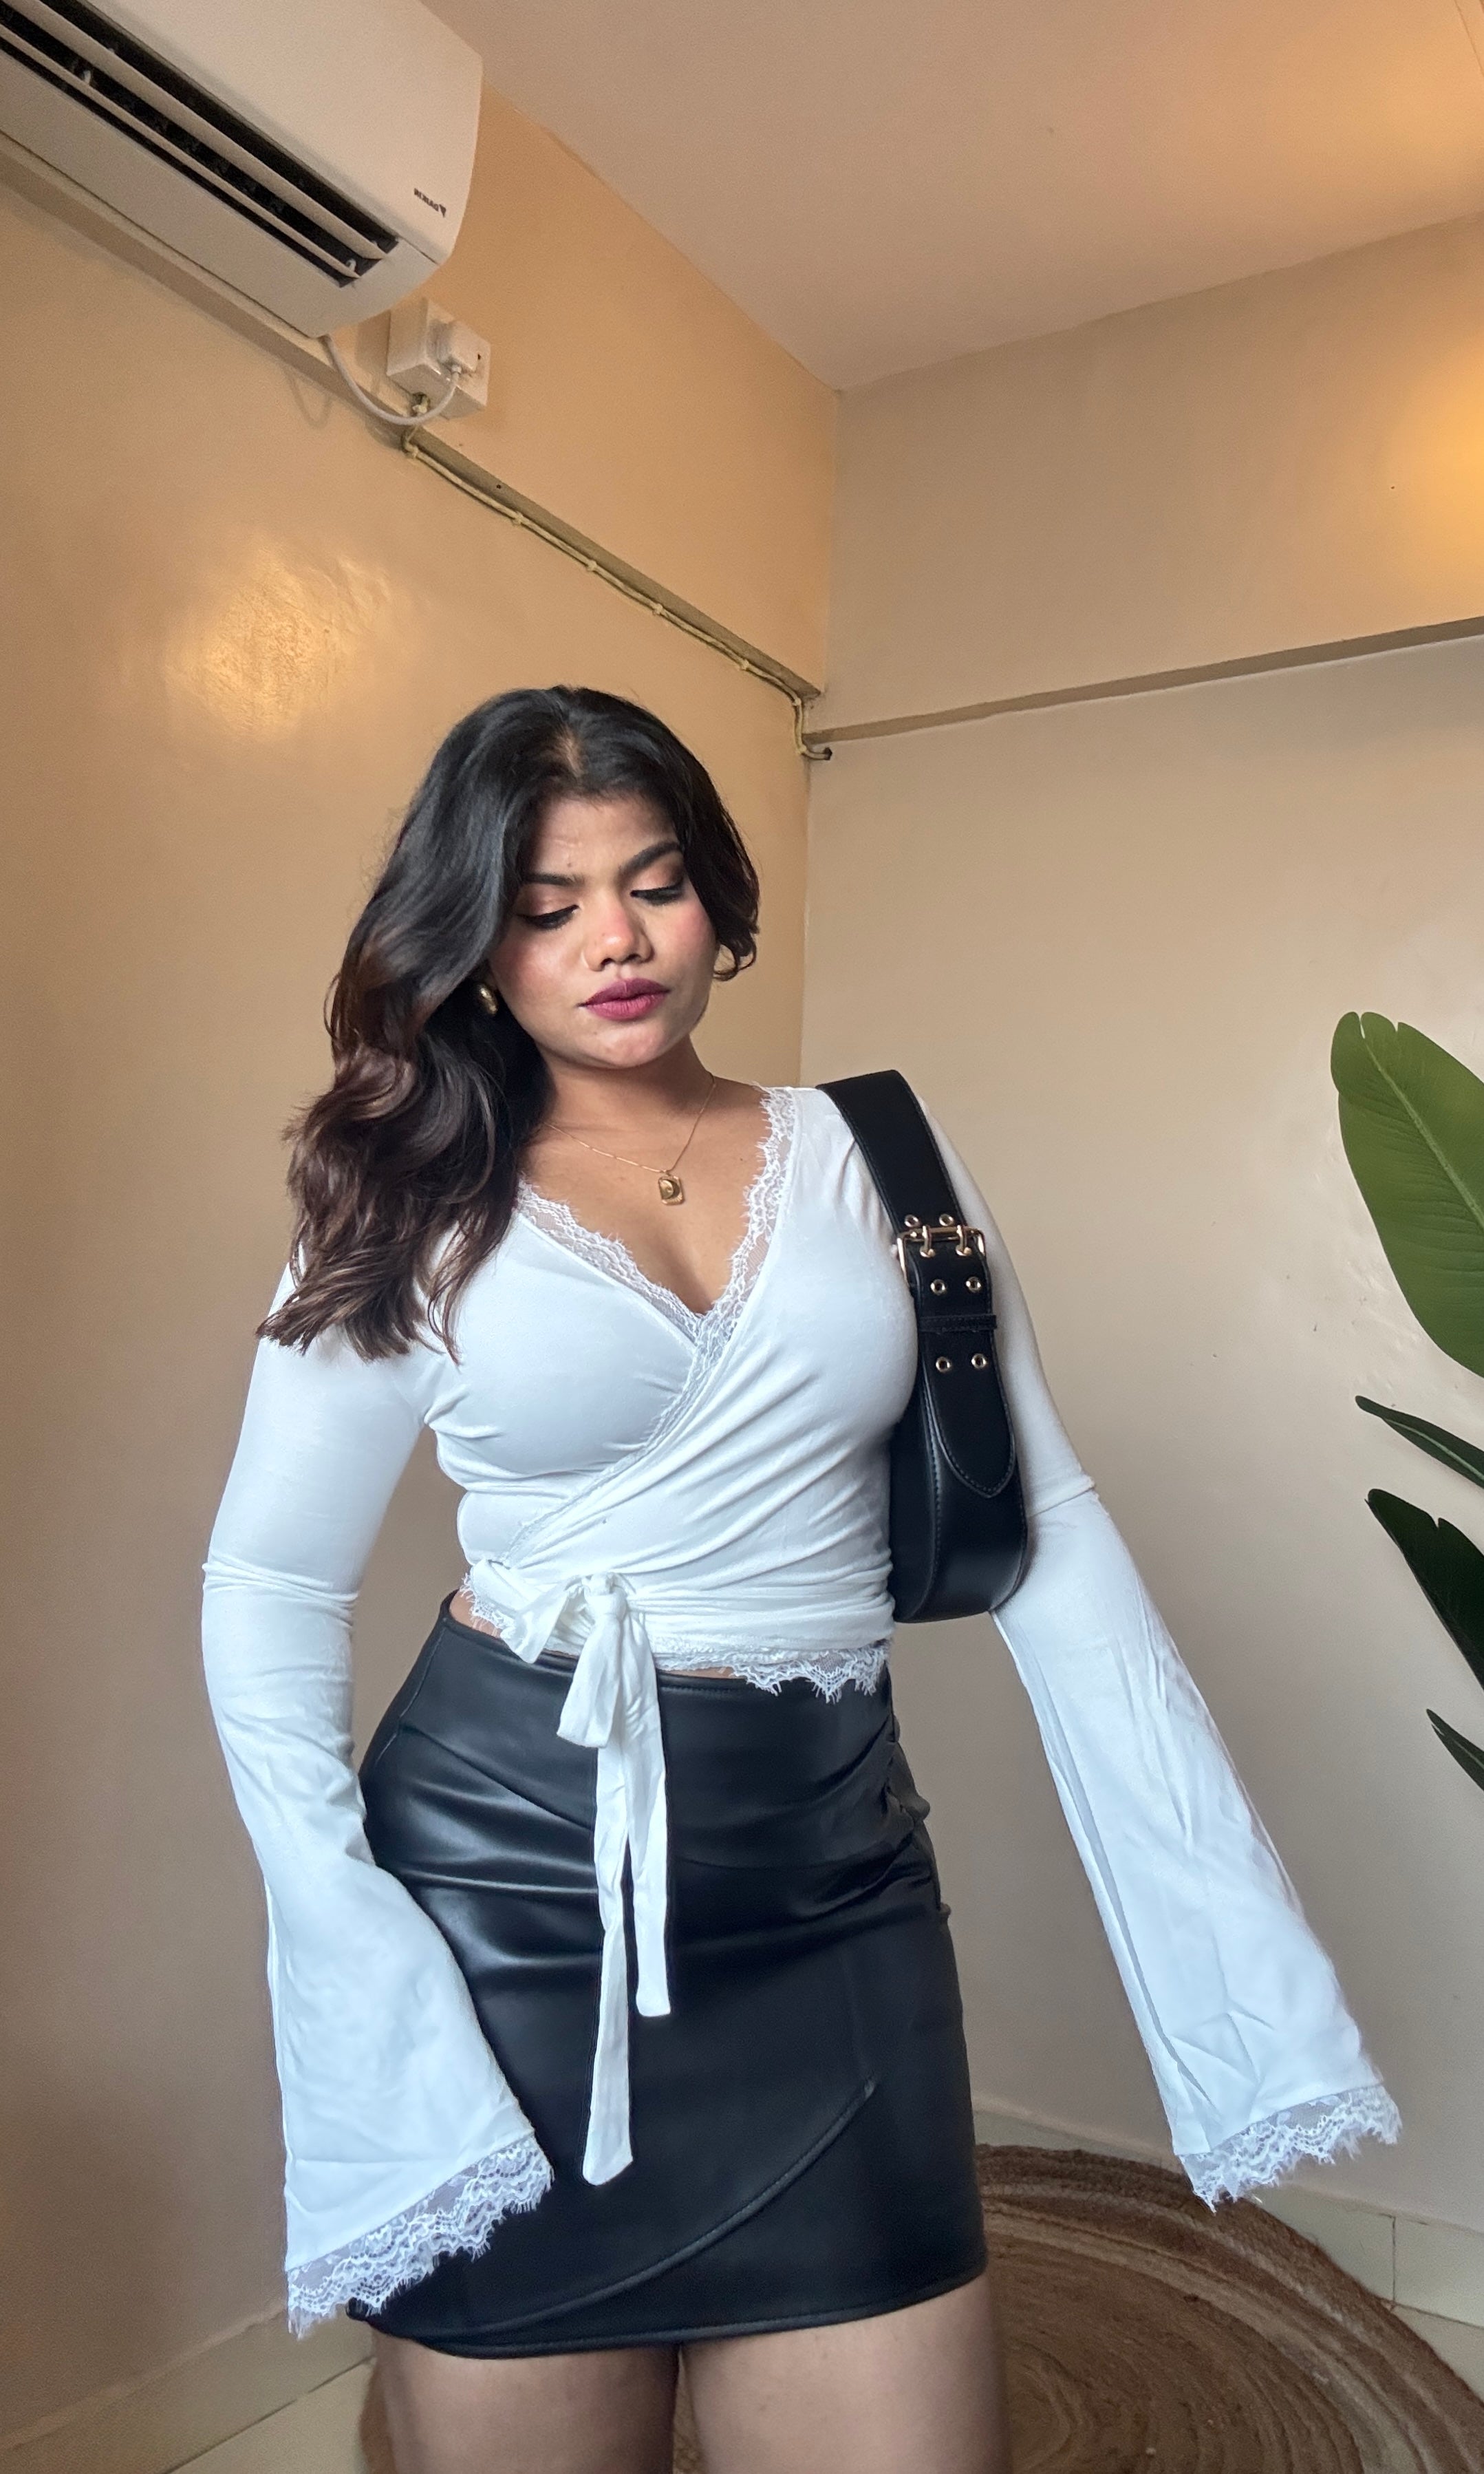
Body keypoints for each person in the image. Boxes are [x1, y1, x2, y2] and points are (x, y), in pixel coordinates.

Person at [202, 686, 1397, 2474]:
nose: (615, 940)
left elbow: (1048, 1523)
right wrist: (338, 1916)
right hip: (506, 1897)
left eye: (654, 883)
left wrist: (1237, 1969)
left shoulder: (879, 1155)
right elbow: (268, 1582)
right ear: (473, 942)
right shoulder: (408, 1190)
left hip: (834, 1886)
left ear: (716, 898)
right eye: (547, 905)